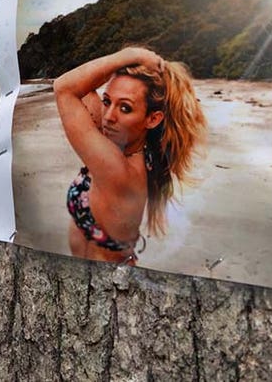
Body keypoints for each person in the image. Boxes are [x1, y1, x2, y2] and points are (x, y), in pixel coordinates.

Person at [53, 46, 206, 265]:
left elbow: (64, 89)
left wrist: (129, 56)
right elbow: (85, 89)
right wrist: (123, 66)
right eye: (107, 101)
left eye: (125, 108)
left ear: (152, 119)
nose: (108, 116)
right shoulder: (125, 145)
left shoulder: (117, 170)